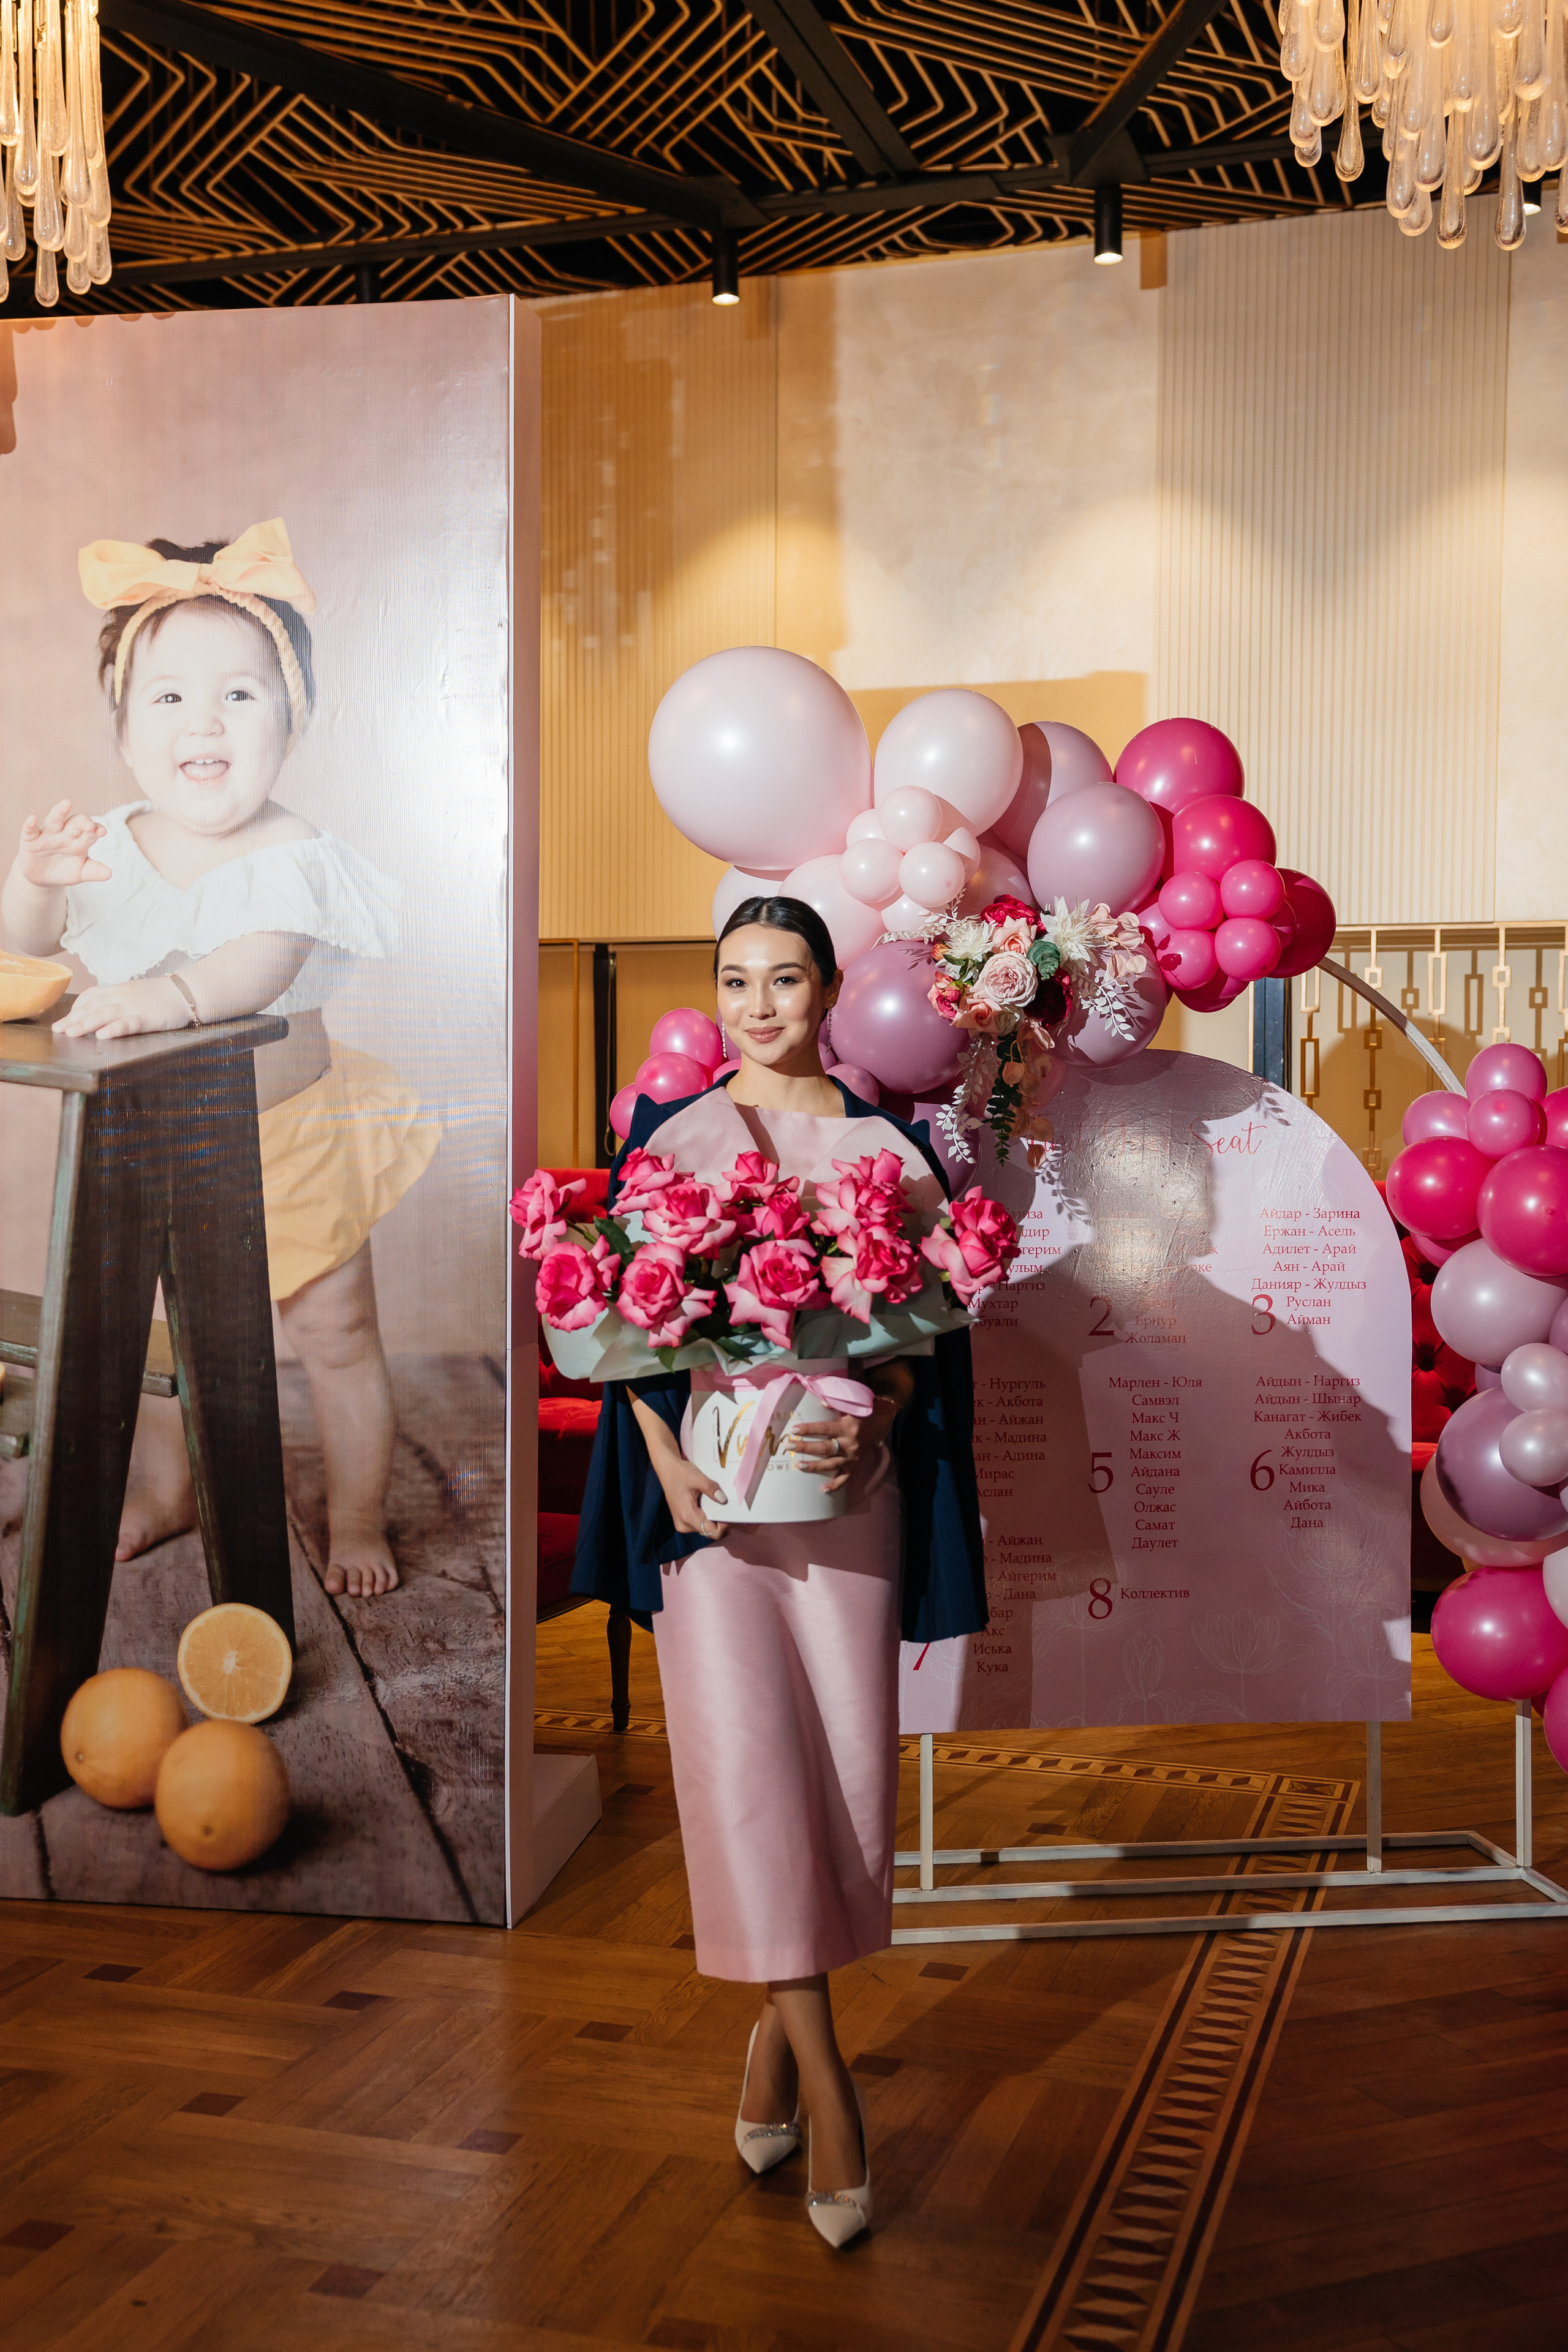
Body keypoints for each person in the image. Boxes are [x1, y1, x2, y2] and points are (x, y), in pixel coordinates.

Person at [572, 894, 987, 2247]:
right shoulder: (667, 1137)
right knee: (746, 1783)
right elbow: (621, 1327)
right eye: (736, 980)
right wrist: (661, 1458)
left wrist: (890, 1435)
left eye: (786, 978)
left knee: (848, 1789)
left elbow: (923, 1344)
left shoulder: (891, 1146)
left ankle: (765, 2056)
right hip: (710, 1518)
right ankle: (831, 2091)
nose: (759, 1004)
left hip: (842, 1503)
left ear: (827, 990)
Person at [0, 521, 438, 1597]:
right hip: (156, 1143)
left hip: (293, 1140)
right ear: (123, 726)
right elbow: (29, 951)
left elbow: (259, 964)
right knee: (155, 1348)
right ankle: (167, 1489)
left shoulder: (293, 853)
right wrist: (38, 881)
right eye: (169, 697)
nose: (204, 720)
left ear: (296, 718)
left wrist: (171, 996)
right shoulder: (108, 841)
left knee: (335, 1333)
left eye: (240, 695)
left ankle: (363, 1514)